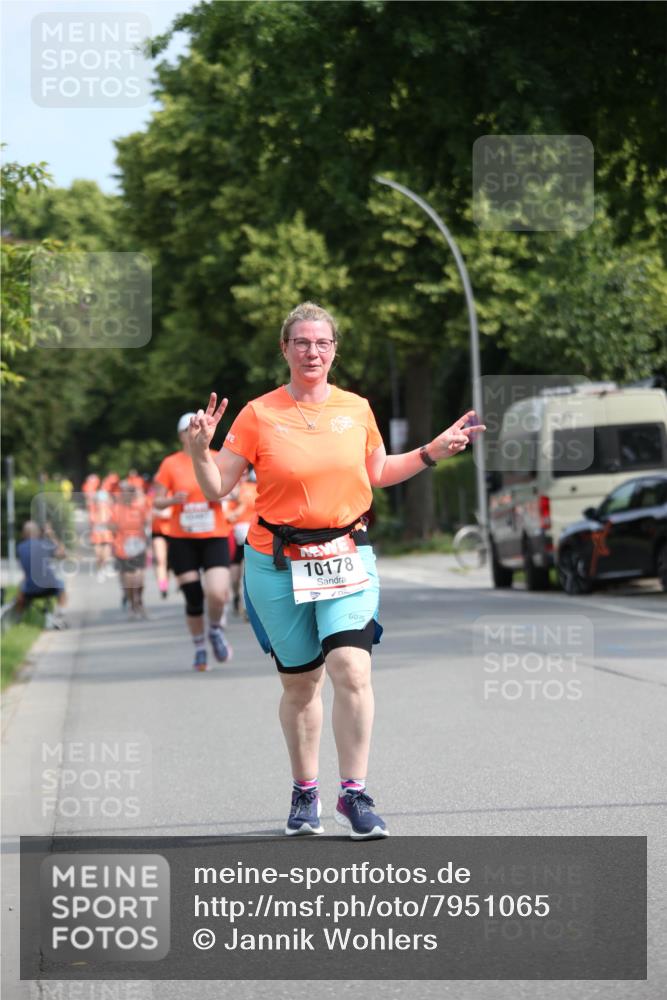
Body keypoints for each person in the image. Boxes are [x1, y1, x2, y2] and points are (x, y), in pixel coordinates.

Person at [188, 301, 485, 840]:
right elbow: (216, 487)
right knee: (301, 686)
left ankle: (354, 794)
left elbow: (378, 471)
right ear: (285, 349)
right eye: (301, 342)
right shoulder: (258, 414)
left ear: (334, 351)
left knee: (352, 667)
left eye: (321, 343)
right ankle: (305, 793)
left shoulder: (357, 408)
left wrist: (430, 451)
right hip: (275, 564)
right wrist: (198, 451)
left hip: (345, 555)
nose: (312, 351)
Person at [153, 412, 234, 671]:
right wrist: (172, 500)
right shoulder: (170, 464)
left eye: (199, 428)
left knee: (217, 593)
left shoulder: (218, 456)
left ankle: (215, 630)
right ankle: (200, 647)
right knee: (193, 596)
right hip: (182, 538)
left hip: (214, 536)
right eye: (190, 429)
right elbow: (155, 500)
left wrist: (220, 496)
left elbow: (234, 491)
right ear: (181, 435)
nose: (195, 433)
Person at [17, 521, 68, 629]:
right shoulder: (45, 544)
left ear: (24, 534)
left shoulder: (20, 548)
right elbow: (63, 553)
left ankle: (19, 621)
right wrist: (51, 534)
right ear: (38, 533)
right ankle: (59, 617)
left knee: (21, 589)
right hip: (50, 586)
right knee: (61, 585)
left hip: (30, 589)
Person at [111, 480, 150, 619]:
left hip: (138, 547)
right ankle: (132, 605)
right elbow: (112, 527)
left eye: (131, 492)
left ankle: (139, 600)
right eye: (126, 492)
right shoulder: (116, 508)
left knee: (139, 580)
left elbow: (146, 524)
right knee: (128, 582)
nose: (129, 495)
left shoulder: (139, 508)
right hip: (122, 549)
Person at [224, 467, 257, 618]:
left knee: (247, 570)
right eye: (239, 472)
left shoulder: (253, 488)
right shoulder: (227, 489)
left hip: (251, 534)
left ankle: (246, 607)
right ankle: (236, 596)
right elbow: (226, 514)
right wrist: (237, 510)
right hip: (233, 533)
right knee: (235, 575)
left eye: (244, 473)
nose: (242, 476)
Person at [148, 478, 171, 599]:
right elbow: (148, 513)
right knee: (161, 559)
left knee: (170, 561)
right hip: (158, 531)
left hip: (174, 531)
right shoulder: (152, 496)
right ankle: (163, 587)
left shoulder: (174, 493)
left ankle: (173, 580)